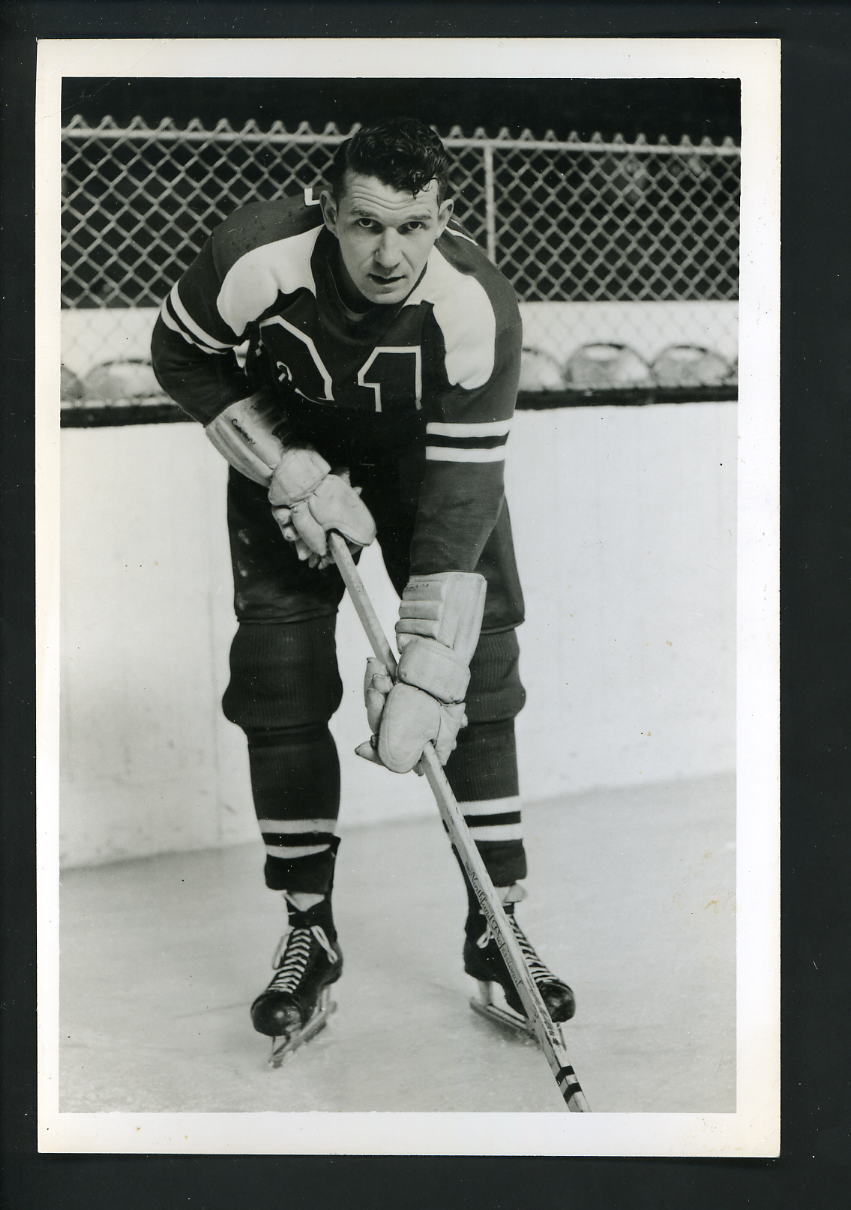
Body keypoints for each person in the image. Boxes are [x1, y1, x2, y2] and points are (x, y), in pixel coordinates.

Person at [151, 117, 574, 1057]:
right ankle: (310, 929)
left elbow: (466, 485)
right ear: (327, 209)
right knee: (279, 678)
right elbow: (182, 356)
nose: (391, 254)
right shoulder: (253, 256)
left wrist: (426, 666)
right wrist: (285, 465)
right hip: (292, 464)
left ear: (443, 216)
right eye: (367, 225)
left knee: (479, 676)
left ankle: (495, 925)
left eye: (414, 228)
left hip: (429, 474)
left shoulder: (478, 306)